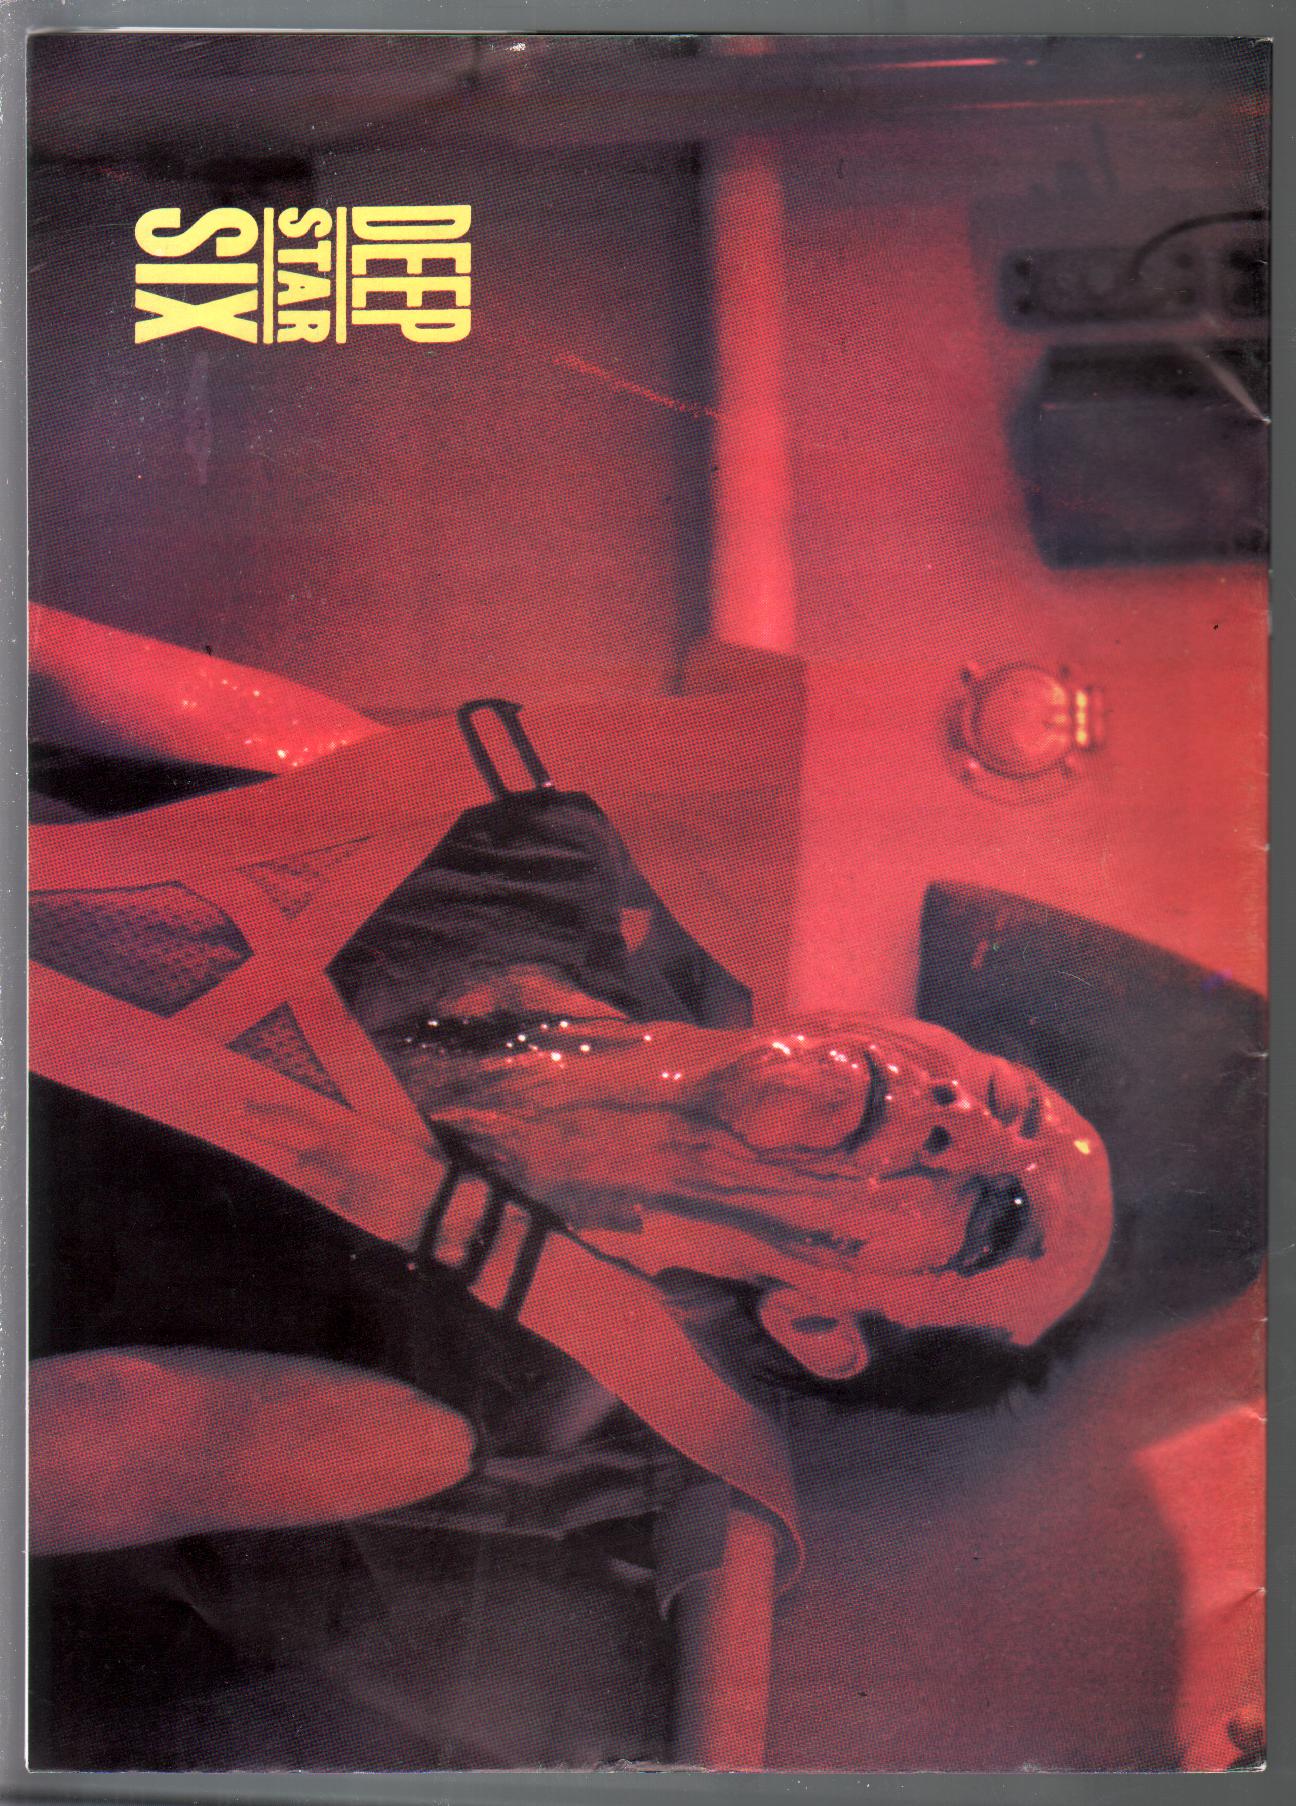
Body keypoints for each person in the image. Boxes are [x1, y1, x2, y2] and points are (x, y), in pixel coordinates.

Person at [27, 606, 1114, 1764]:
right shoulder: (522, 848)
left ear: (817, 1324)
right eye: (1003, 1099)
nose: (958, 1121)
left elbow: (66, 1444)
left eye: (992, 1216)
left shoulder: (452, 1394)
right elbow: (48, 667)